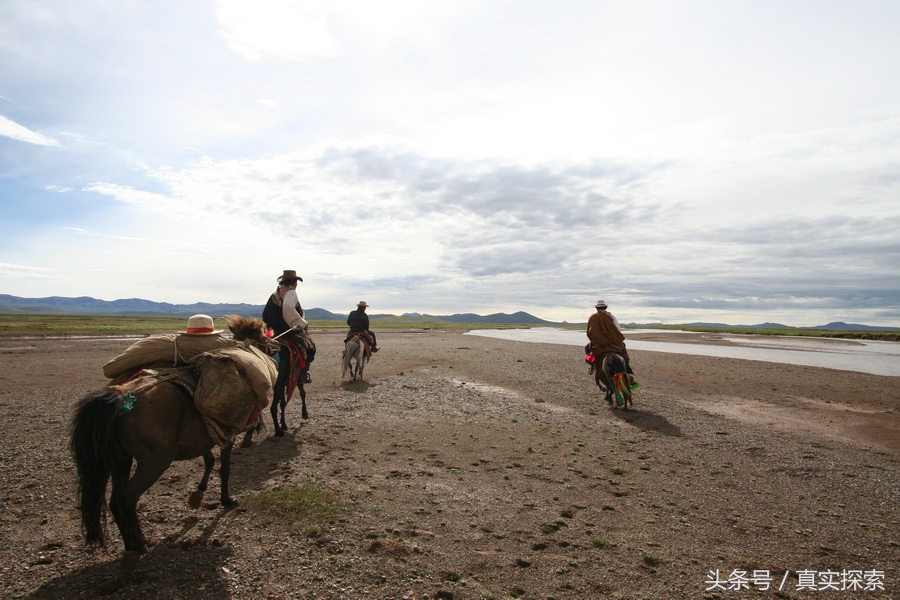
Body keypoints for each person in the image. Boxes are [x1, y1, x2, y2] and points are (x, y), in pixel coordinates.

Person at [263, 270, 316, 398]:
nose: (296, 284)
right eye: (296, 281)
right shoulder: (291, 292)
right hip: (286, 331)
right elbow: (288, 308)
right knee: (309, 346)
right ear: (293, 282)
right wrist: (300, 323)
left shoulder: (275, 294)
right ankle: (304, 374)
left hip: (271, 330)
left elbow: (266, 314)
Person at [586, 299, 636, 382]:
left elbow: (589, 332)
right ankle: (626, 368)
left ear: (597, 308)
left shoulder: (592, 317)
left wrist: (596, 339)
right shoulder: (611, 316)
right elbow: (618, 329)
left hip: (599, 344)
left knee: (587, 348)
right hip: (613, 343)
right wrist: (614, 338)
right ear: (605, 307)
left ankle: (592, 367)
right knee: (623, 350)